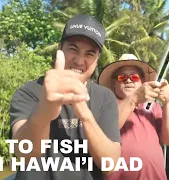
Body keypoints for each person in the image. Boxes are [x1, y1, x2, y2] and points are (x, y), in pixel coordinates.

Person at [9, 14, 121, 180]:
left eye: (89, 54)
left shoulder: (106, 98)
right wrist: (45, 109)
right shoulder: (29, 91)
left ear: (97, 60)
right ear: (60, 49)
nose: (79, 60)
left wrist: (82, 108)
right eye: (73, 49)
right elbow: (25, 153)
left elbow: (109, 165)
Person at [98, 54, 169, 180]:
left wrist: (168, 102)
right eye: (122, 77)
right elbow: (105, 131)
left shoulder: (154, 108)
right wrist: (135, 98)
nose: (129, 80)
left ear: (142, 81)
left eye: (134, 77)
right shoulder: (105, 105)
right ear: (114, 83)